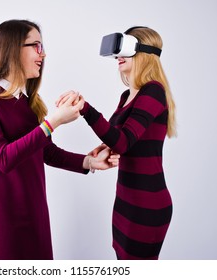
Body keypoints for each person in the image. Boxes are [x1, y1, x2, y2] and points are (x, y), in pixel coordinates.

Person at [0, 19, 118, 260]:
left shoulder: (26, 103)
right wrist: (53, 122)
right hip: (1, 215)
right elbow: (2, 158)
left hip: (34, 209)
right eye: (36, 46)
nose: (43, 54)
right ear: (13, 49)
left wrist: (89, 162)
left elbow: (46, 151)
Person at [57, 26, 176, 259]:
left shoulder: (153, 92)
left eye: (126, 49)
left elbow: (123, 142)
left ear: (142, 52)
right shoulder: (127, 95)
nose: (118, 56)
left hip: (147, 204)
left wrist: (85, 109)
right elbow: (120, 140)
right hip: (125, 201)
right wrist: (107, 147)